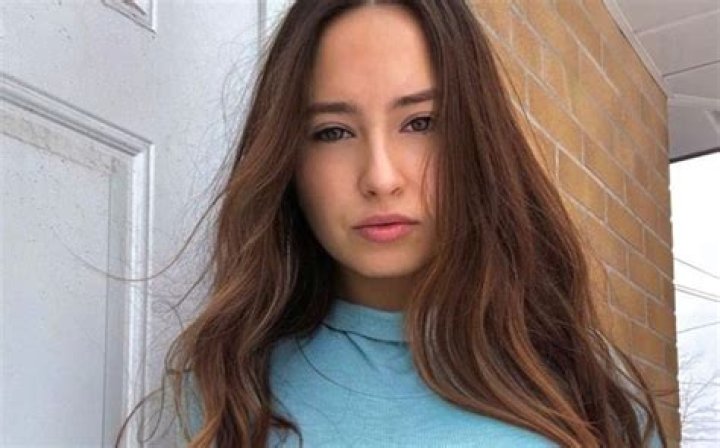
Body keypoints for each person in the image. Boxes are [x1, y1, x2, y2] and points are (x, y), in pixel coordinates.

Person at [116, 1, 670, 447]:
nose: (380, 178)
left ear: (476, 139)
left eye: (421, 122)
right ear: (288, 159)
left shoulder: (584, 378)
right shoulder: (223, 388)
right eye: (333, 132)